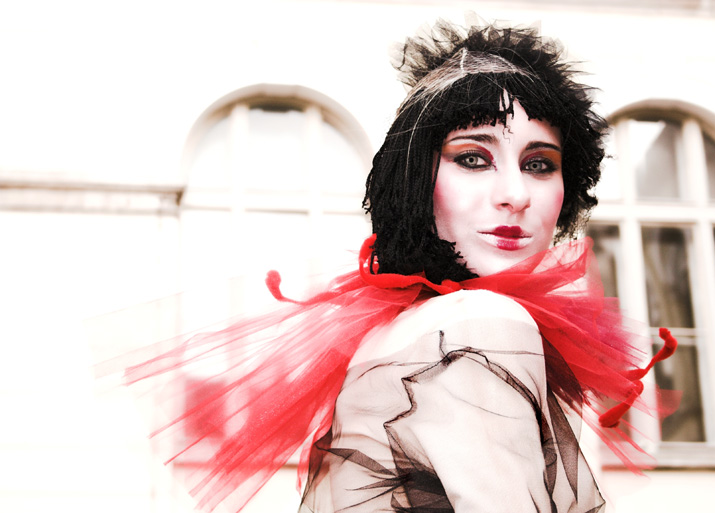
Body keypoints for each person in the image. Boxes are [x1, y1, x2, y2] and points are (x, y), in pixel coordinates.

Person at [117, 20, 676, 513]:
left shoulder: (394, 336)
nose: (515, 194)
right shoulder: (479, 325)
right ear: (413, 181)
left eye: (539, 164)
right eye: (472, 158)